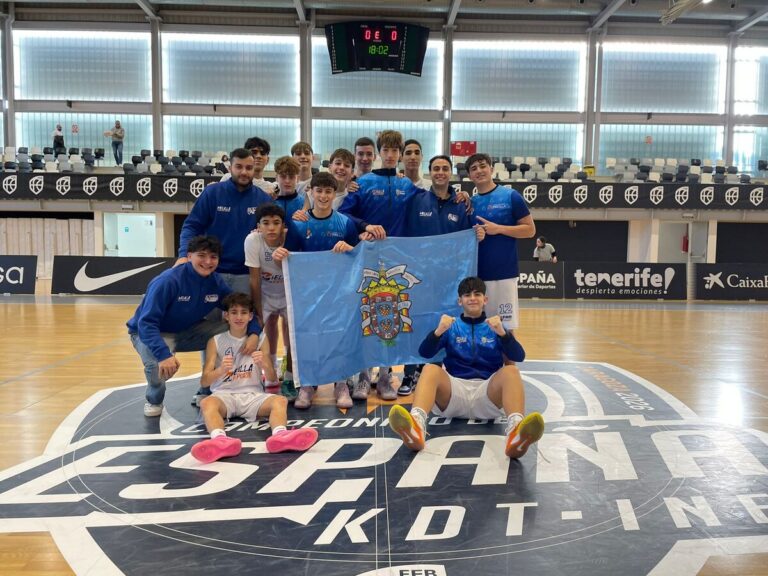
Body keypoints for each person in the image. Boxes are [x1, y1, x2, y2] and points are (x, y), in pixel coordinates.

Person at [388, 276, 544, 459]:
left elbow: (519, 356)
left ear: (485, 300)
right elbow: (425, 352)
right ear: (459, 301)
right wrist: (438, 332)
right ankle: (415, 425)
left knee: (511, 371)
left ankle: (516, 433)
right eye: (467, 294)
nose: (472, 298)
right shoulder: (451, 326)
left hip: (487, 395)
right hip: (454, 394)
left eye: (477, 294)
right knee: (431, 369)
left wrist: (503, 333)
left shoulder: (495, 326)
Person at [177, 148, 274, 405]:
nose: (244, 172)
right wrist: (184, 254)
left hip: (245, 274)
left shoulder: (262, 198)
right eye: (239, 167)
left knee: (244, 325)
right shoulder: (213, 194)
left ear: (256, 168)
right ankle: (207, 385)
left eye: (249, 168)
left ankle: (247, 381)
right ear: (230, 167)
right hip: (213, 273)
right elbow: (191, 225)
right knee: (211, 331)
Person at [127, 235, 261, 417]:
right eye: (202, 256)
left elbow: (239, 308)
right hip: (151, 332)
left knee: (232, 330)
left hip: (188, 330)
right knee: (155, 365)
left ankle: (207, 390)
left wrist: (253, 333)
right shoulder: (168, 281)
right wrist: (164, 354)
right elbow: (146, 322)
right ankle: (154, 399)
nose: (207, 262)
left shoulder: (215, 282)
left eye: (213, 257)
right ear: (189, 256)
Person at [190, 292, 316, 464]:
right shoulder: (216, 340)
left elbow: (272, 378)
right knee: (206, 403)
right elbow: (204, 381)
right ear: (226, 315)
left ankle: (280, 435)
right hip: (224, 394)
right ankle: (219, 440)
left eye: (243, 312)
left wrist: (264, 364)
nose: (239, 317)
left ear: (250, 316)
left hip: (253, 395)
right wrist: (220, 370)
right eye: (234, 312)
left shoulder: (261, 339)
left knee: (280, 401)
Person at [273, 172, 364, 410]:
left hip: (339, 293)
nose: (323, 196)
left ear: (335, 194)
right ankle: (307, 385)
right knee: (308, 338)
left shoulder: (345, 223)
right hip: (308, 294)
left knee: (339, 337)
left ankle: (341, 384)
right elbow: (288, 258)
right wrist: (280, 254)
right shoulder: (299, 223)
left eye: (328, 191)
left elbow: (358, 260)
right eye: (319, 191)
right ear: (311, 192)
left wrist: (349, 249)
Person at [399, 154, 486, 396]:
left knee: (444, 323)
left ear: (451, 173)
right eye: (436, 168)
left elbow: (471, 234)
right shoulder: (416, 201)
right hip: (419, 276)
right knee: (415, 323)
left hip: (449, 279)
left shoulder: (462, 204)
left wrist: (478, 234)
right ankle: (410, 373)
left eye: (445, 168)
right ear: (430, 172)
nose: (440, 172)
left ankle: (437, 371)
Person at [467, 152, 536, 333]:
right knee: (478, 330)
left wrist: (499, 229)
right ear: (469, 175)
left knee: (504, 331)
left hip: (503, 275)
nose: (479, 171)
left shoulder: (510, 196)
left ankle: (509, 363)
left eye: (483, 166)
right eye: (474, 168)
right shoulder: (470, 204)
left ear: (491, 169)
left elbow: (530, 230)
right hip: (476, 277)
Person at [244, 204, 300, 400]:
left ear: (284, 226)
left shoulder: (292, 237)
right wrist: (257, 312)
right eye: (265, 223)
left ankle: (291, 378)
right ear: (258, 226)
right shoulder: (252, 240)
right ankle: (269, 373)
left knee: (293, 338)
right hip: (266, 294)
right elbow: (254, 279)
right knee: (260, 335)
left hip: (288, 294)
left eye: (276, 223)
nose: (271, 228)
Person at [272, 156, 305, 222]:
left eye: (291, 177)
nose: (287, 181)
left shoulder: (304, 204)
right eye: (283, 176)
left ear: (297, 179)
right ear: (276, 178)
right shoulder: (270, 202)